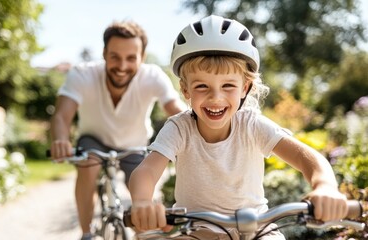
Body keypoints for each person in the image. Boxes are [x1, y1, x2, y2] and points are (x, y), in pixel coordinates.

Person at [128, 15, 348, 239]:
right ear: (185, 91)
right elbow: (146, 171)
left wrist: (325, 186)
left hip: (256, 228)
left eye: (228, 86)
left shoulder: (251, 125)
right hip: (198, 230)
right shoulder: (179, 128)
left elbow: (306, 158)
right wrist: (143, 202)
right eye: (202, 86)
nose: (216, 97)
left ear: (245, 87)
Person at [49, 20, 186, 240]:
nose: (122, 66)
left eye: (131, 58)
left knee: (143, 198)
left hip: (135, 145)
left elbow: (177, 112)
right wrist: (61, 140)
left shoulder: (153, 76)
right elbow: (62, 116)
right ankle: (86, 234)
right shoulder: (82, 74)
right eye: (115, 57)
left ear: (142, 57)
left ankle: (145, 235)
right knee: (88, 165)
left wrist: (195, 136)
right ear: (104, 53)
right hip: (94, 139)